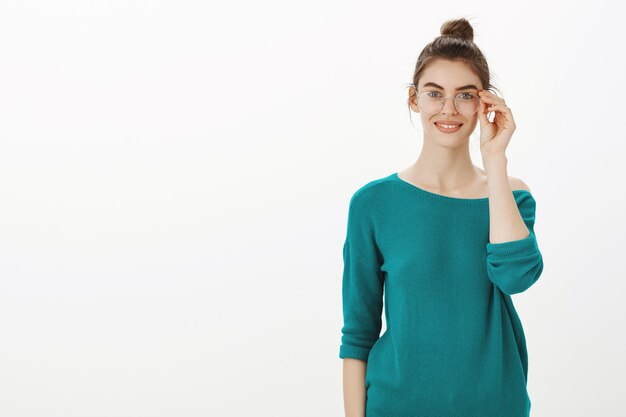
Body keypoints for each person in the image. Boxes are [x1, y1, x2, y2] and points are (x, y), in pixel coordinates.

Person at [338, 17, 544, 417]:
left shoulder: (510, 194)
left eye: (465, 96)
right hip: (396, 406)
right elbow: (358, 332)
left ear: (484, 103)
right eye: (435, 94)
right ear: (415, 100)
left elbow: (516, 277)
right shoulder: (373, 204)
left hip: (495, 406)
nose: (449, 109)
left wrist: (495, 160)